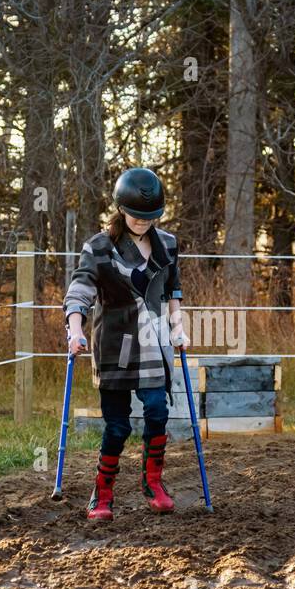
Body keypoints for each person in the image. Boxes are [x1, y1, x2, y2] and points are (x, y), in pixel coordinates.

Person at [64, 167, 187, 521]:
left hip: (154, 341)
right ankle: (102, 493)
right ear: (120, 209)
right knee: (118, 426)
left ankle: (154, 483)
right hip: (115, 343)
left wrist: (177, 328)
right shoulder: (99, 247)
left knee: (158, 412)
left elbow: (173, 290)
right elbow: (81, 289)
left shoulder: (168, 244)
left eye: (149, 217)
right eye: (135, 215)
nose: (142, 222)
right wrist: (75, 330)